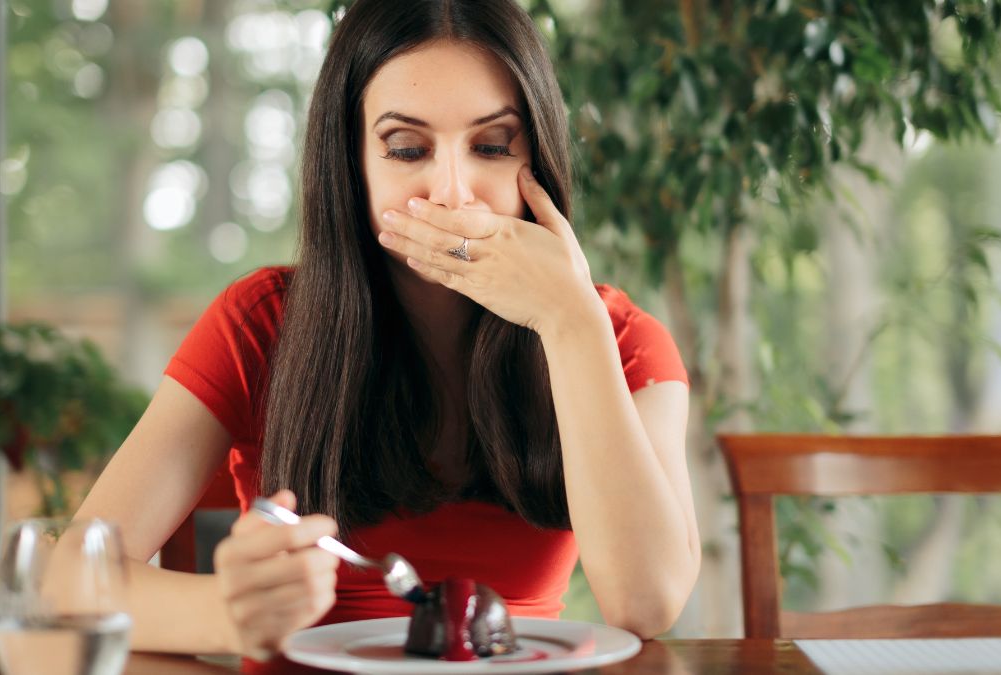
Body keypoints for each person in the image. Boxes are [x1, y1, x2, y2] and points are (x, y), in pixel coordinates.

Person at [73, 0, 700, 662]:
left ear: (538, 161)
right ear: (353, 166)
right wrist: (226, 614)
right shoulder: (260, 322)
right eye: (407, 149)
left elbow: (646, 604)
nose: (453, 191)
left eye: (491, 146)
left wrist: (571, 322)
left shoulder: (620, 340)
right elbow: (66, 582)